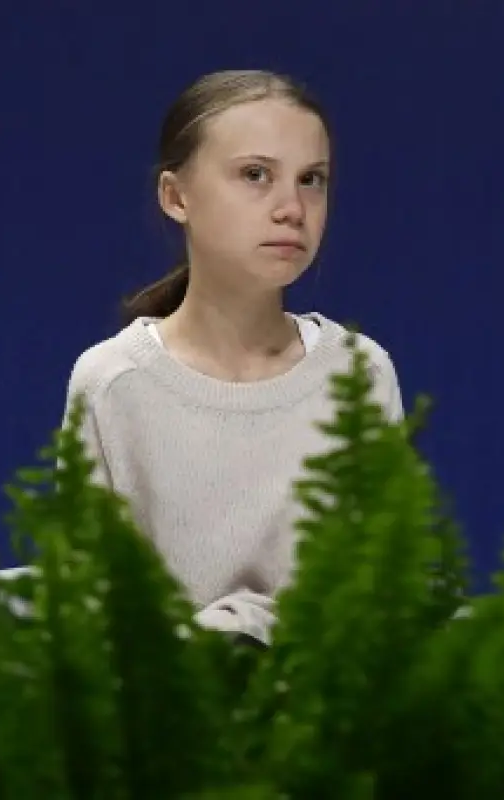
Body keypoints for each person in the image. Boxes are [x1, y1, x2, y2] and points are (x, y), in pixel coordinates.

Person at [62, 69, 405, 646]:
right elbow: (93, 606)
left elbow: (382, 600)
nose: (292, 208)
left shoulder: (358, 375)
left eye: (312, 180)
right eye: (255, 175)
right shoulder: (113, 382)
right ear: (176, 197)